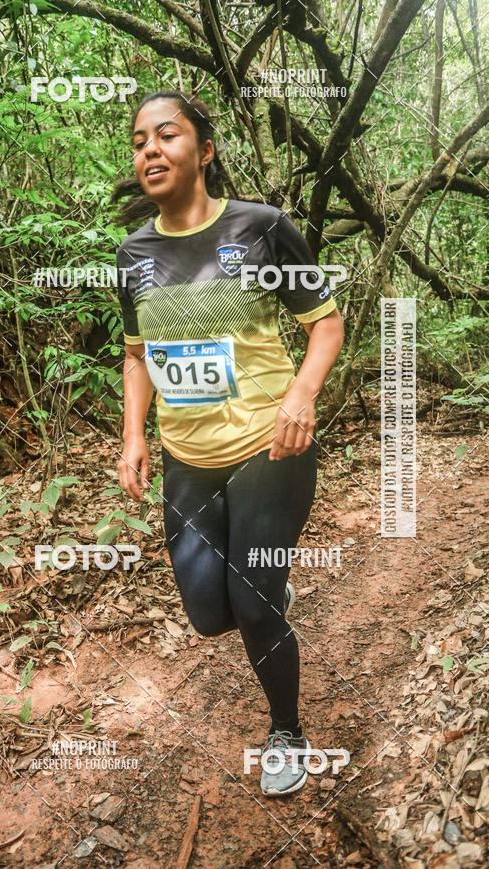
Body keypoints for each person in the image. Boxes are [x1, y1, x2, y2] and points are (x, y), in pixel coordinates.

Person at [113, 90, 344, 795]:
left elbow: (326, 325)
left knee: (252, 602)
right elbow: (134, 352)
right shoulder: (135, 253)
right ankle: (261, 585)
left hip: (268, 447)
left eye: (167, 135)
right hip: (188, 459)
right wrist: (133, 436)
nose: (150, 150)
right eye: (139, 141)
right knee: (209, 614)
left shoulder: (262, 228)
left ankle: (286, 731)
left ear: (204, 151)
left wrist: (301, 394)